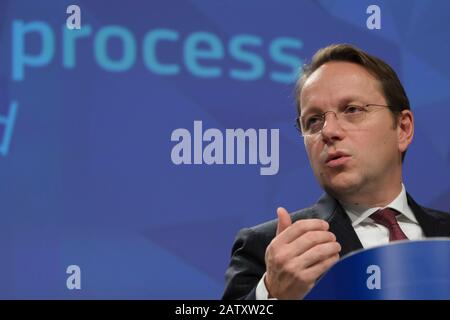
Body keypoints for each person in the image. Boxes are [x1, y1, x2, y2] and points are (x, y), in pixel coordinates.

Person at [222, 44, 450, 300]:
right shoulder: (267, 251)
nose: (328, 131)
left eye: (352, 110)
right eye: (314, 121)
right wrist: (274, 294)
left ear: (403, 128)